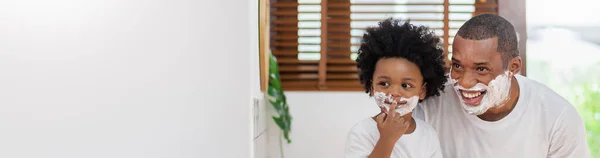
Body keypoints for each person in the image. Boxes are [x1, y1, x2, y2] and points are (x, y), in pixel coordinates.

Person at [409, 14, 591, 157]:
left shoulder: (558, 118)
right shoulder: (431, 104)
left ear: (513, 67)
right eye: (457, 66)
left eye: (481, 69)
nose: (464, 81)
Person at [344, 18, 447, 158]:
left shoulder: (427, 134)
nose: (394, 93)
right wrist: (387, 139)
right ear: (372, 87)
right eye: (384, 84)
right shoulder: (362, 132)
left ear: (422, 91)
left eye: (406, 85)